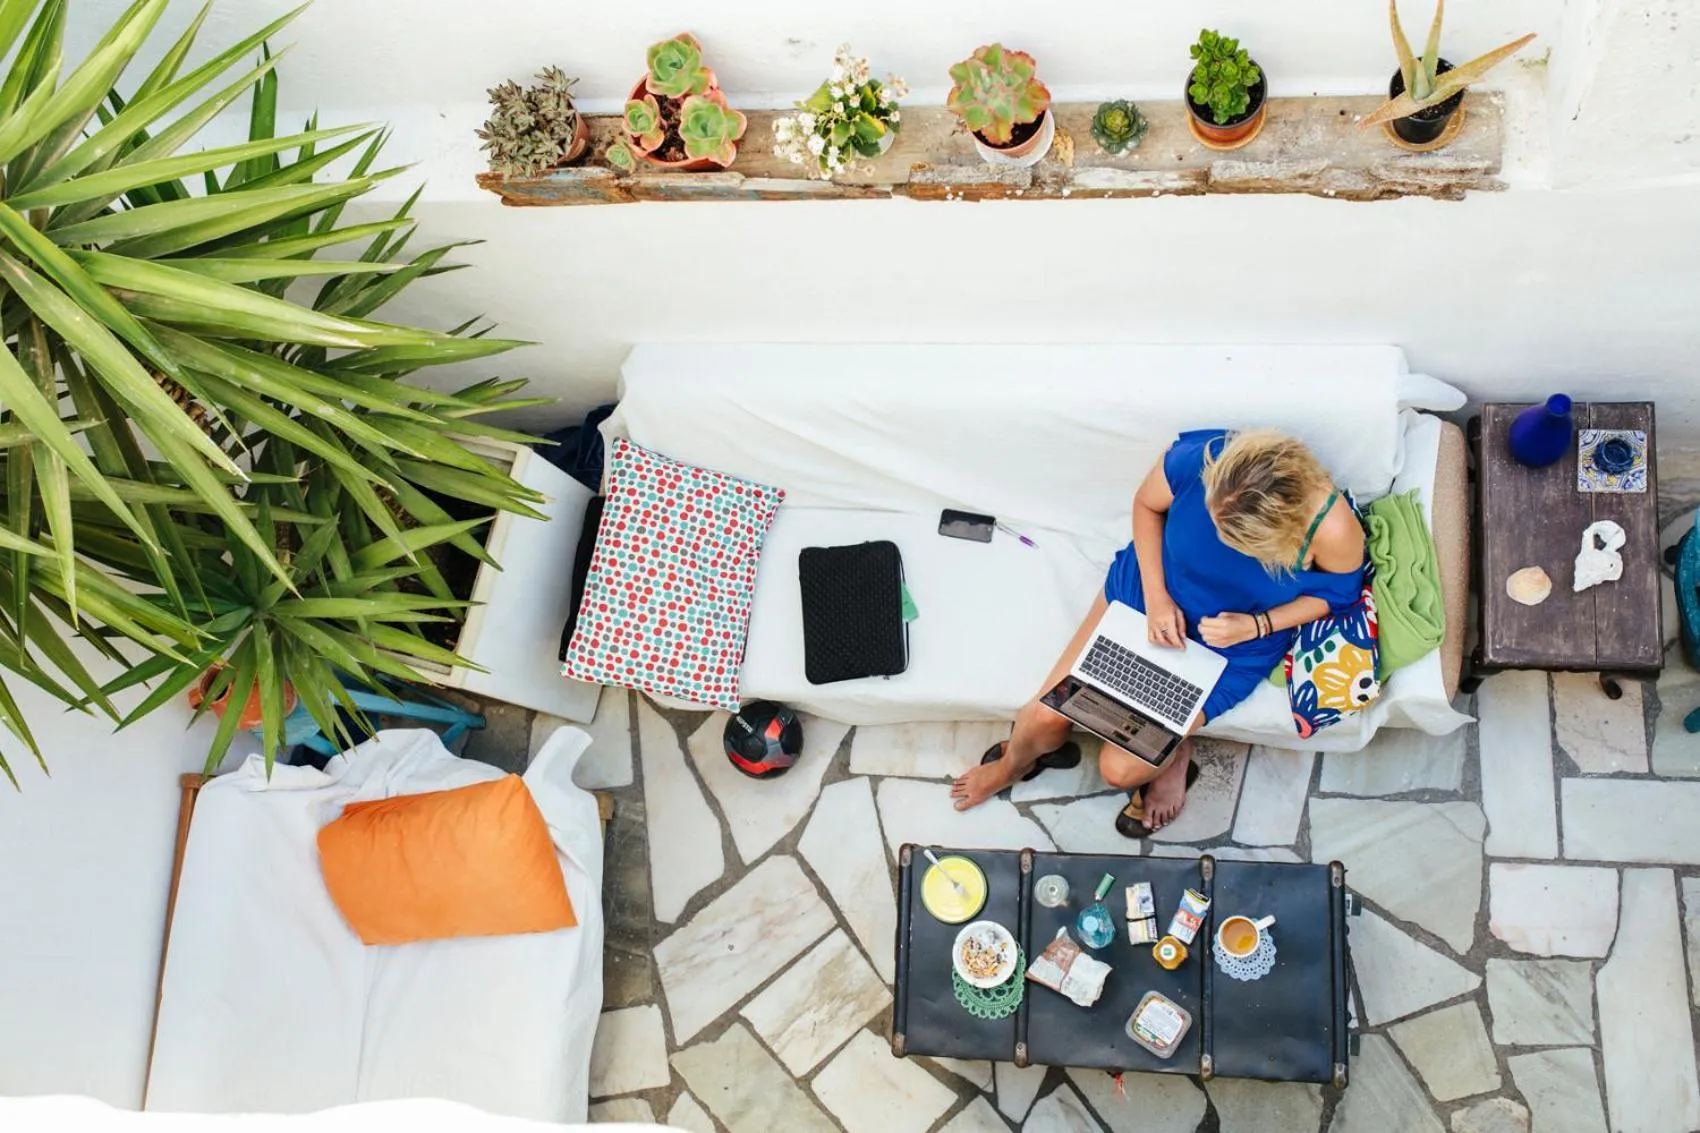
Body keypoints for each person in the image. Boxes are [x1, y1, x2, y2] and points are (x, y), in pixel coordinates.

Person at [950, 428, 1366, 835]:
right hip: (1147, 592)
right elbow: (1147, 506)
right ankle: (1012, 767)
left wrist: (1257, 625)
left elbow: (1338, 594)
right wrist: (1156, 597)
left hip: (1232, 643)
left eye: (1232, 536)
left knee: (1121, 768)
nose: (1218, 534)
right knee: (1042, 717)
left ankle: (1178, 749)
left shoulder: (1331, 530)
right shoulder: (1205, 456)